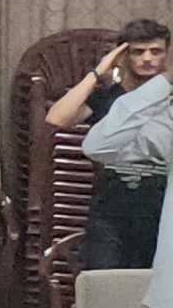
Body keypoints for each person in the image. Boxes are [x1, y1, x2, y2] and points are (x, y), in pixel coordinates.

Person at [56, 18, 171, 270]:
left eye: (156, 51)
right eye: (138, 52)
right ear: (124, 55)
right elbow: (57, 118)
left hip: (161, 214)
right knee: (104, 288)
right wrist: (99, 71)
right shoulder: (107, 97)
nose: (148, 58)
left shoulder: (168, 100)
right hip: (109, 216)